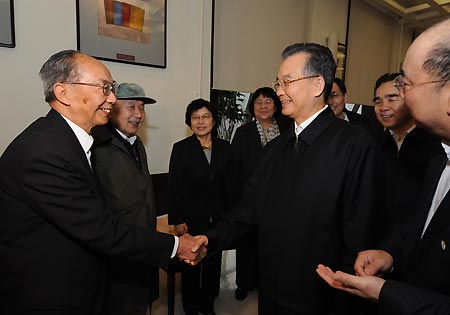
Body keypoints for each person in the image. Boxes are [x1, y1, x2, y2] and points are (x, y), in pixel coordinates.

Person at [0, 50, 204, 315]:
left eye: (113, 88)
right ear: (63, 93)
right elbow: (100, 228)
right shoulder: (45, 152)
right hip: (47, 293)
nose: (113, 98)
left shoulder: (66, 141)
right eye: (104, 88)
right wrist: (177, 246)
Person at [194, 43, 384, 314]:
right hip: (271, 290)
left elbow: (360, 240)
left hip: (322, 298)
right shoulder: (275, 149)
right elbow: (247, 211)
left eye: (287, 82)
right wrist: (207, 239)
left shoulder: (356, 145)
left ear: (318, 85)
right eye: (278, 82)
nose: (279, 91)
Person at [316, 17, 450, 315]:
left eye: (406, 84)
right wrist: (390, 252)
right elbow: (421, 222)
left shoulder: (431, 148)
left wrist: (388, 293)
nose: (398, 98)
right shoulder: (441, 155)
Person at [91, 83, 159, 315]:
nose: (139, 114)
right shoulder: (96, 144)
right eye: (131, 106)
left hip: (142, 240)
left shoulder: (137, 144)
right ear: (112, 108)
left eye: (141, 107)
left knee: (139, 302)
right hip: (116, 247)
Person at [168, 99, 233, 315]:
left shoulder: (226, 148)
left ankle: (208, 304)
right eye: (196, 117)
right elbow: (174, 187)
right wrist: (177, 220)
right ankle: (190, 306)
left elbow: (230, 185)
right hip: (191, 219)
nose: (201, 121)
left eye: (205, 116)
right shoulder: (181, 149)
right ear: (189, 122)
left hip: (218, 218)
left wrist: (230, 216)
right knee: (191, 265)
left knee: (213, 264)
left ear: (213, 120)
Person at [230, 86, 290, 301]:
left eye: (268, 102)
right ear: (252, 107)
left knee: (271, 244)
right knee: (246, 243)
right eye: (258, 102)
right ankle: (244, 282)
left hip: (278, 199)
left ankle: (267, 281)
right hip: (250, 198)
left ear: (276, 105)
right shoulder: (243, 132)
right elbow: (234, 168)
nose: (263, 106)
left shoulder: (287, 129)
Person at [373, 73, 443, 227]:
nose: (383, 107)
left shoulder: (436, 146)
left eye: (392, 99)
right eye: (378, 102)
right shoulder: (373, 145)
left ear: (409, 100)